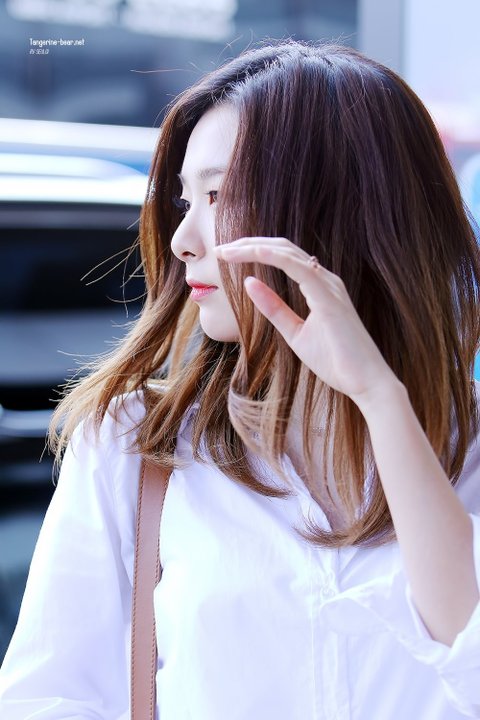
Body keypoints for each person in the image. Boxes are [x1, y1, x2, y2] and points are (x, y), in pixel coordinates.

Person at [1, 39, 480, 720]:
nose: (182, 239)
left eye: (218, 195)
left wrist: (381, 399)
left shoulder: (468, 447)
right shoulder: (136, 443)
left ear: (338, 212)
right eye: (184, 200)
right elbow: (50, 699)